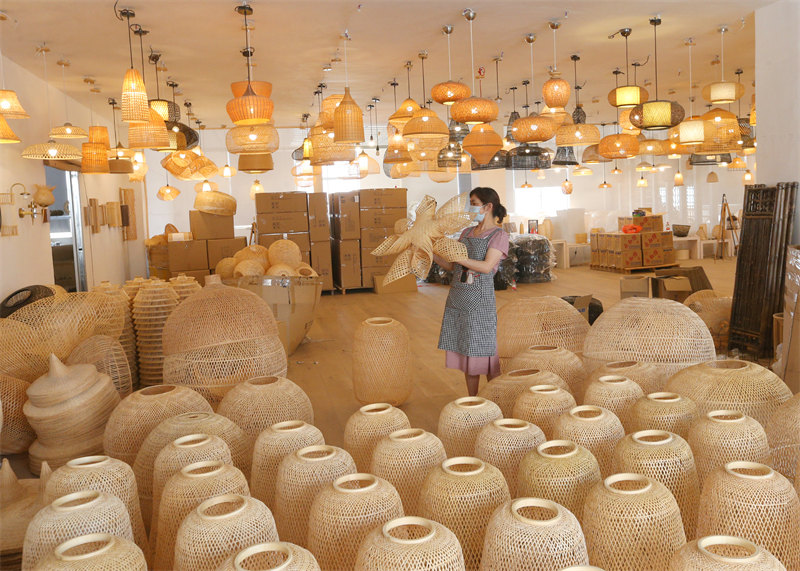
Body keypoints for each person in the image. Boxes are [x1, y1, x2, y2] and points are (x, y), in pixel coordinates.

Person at [435, 187, 510, 396]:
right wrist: (433, 254)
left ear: (488, 207)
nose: (471, 207)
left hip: (480, 302)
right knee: (467, 349)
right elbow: (453, 267)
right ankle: (473, 400)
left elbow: (487, 267)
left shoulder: (499, 235)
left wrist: (458, 258)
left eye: (474, 203)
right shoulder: (467, 232)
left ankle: (498, 397)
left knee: (483, 351)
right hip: (458, 297)